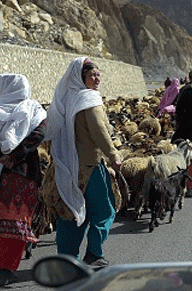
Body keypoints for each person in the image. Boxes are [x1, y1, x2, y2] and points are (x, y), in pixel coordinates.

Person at [45, 57, 122, 269]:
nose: (96, 79)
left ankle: (67, 259)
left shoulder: (66, 98)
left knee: (70, 210)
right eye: (91, 75)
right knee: (104, 210)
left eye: (98, 75)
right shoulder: (89, 100)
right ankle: (94, 253)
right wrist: (113, 155)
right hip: (90, 166)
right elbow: (99, 132)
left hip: (66, 165)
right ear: (81, 78)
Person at [0, 74, 47, 286]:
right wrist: (14, 156)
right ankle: (5, 267)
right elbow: (39, 135)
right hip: (22, 171)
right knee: (17, 219)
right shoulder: (36, 110)